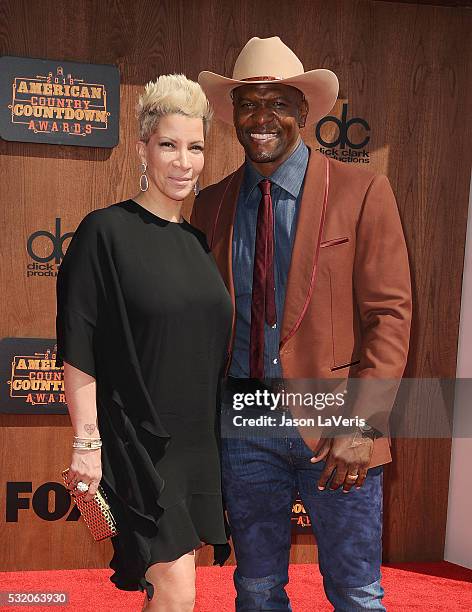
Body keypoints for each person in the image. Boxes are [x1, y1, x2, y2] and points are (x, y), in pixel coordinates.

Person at [192, 37, 412, 611]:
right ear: (233, 115)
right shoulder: (211, 204)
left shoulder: (362, 190)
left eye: (278, 102)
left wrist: (361, 426)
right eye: (248, 103)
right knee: (256, 589)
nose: (262, 117)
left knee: (357, 592)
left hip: (336, 423)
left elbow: (389, 316)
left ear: (302, 112)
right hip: (245, 426)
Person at [56, 74, 232, 612]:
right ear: (143, 148)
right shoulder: (103, 233)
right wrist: (87, 446)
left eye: (196, 146)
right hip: (137, 443)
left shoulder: (199, 244)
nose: (184, 162)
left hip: (197, 445)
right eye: (169, 145)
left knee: (174, 588)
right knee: (177, 591)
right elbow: (78, 347)